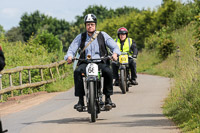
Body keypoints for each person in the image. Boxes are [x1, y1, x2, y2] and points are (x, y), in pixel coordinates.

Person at [64, 14, 121, 111]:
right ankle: (80, 101)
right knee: (77, 72)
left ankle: (108, 98)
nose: (90, 26)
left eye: (92, 24)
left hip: (100, 61)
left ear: (95, 25)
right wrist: (69, 57)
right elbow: (71, 49)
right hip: (85, 62)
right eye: (88, 24)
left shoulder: (103, 35)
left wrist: (115, 54)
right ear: (85, 25)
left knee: (108, 72)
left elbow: (115, 46)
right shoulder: (80, 37)